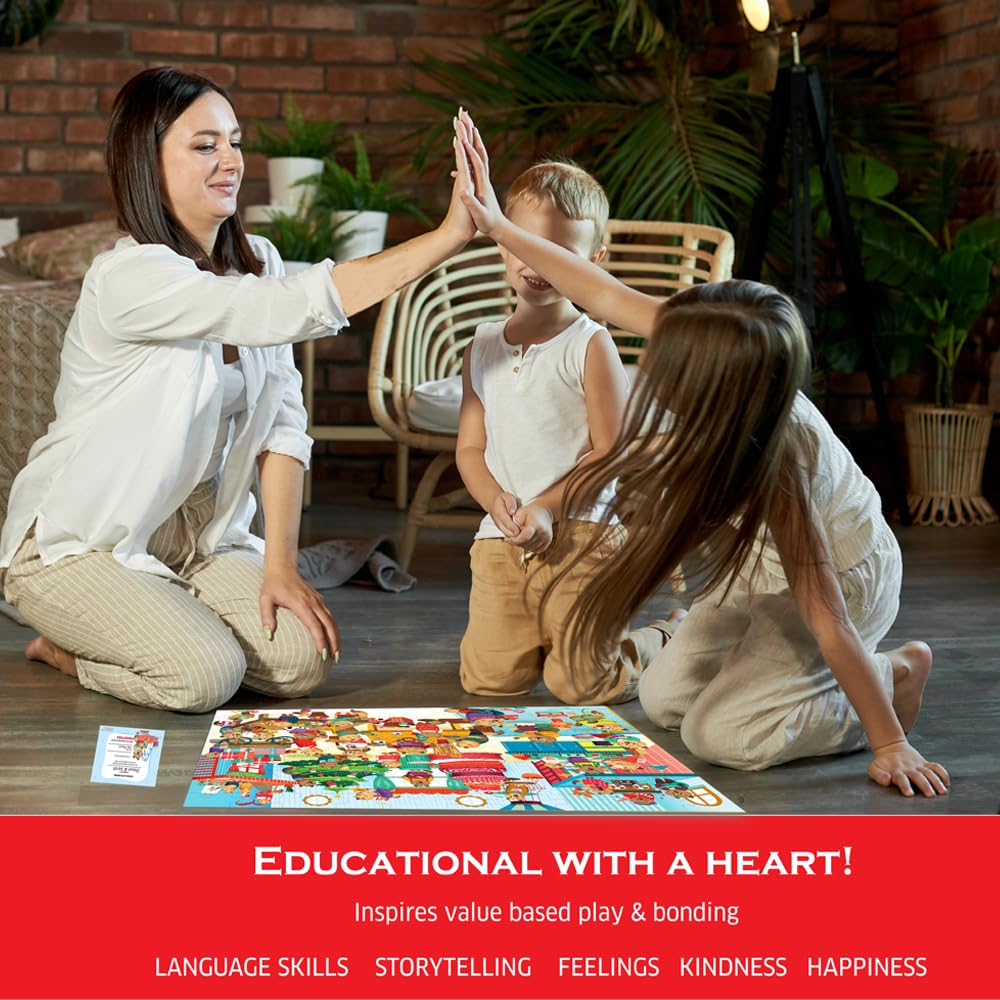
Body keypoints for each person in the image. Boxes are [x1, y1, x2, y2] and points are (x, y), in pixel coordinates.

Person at [453, 111, 948, 797]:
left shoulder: (779, 458)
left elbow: (828, 619)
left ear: (714, 385)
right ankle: (771, 670)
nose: (652, 358)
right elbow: (596, 288)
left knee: (721, 737)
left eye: (668, 359)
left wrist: (891, 742)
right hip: (755, 571)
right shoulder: (715, 341)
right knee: (663, 701)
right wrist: (496, 225)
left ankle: (893, 675)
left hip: (842, 577)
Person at [0, 68, 477, 713]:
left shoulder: (261, 261)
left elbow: (283, 426)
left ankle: (162, 616)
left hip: (201, 534)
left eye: (235, 141)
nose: (231, 160)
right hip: (84, 538)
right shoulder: (129, 276)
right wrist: (448, 235)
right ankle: (69, 651)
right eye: (205, 145)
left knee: (302, 661)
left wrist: (280, 566)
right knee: (204, 677)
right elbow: (286, 309)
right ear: (147, 163)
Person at [456, 160, 680, 705]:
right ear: (504, 243)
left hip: (583, 536)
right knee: (488, 682)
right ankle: (547, 640)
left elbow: (611, 451)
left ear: (593, 262)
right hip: (503, 540)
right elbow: (470, 448)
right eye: (528, 244)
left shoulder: (590, 344)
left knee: (584, 685)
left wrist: (545, 508)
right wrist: (497, 503)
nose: (538, 263)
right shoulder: (481, 345)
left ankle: (666, 637)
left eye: (559, 252)